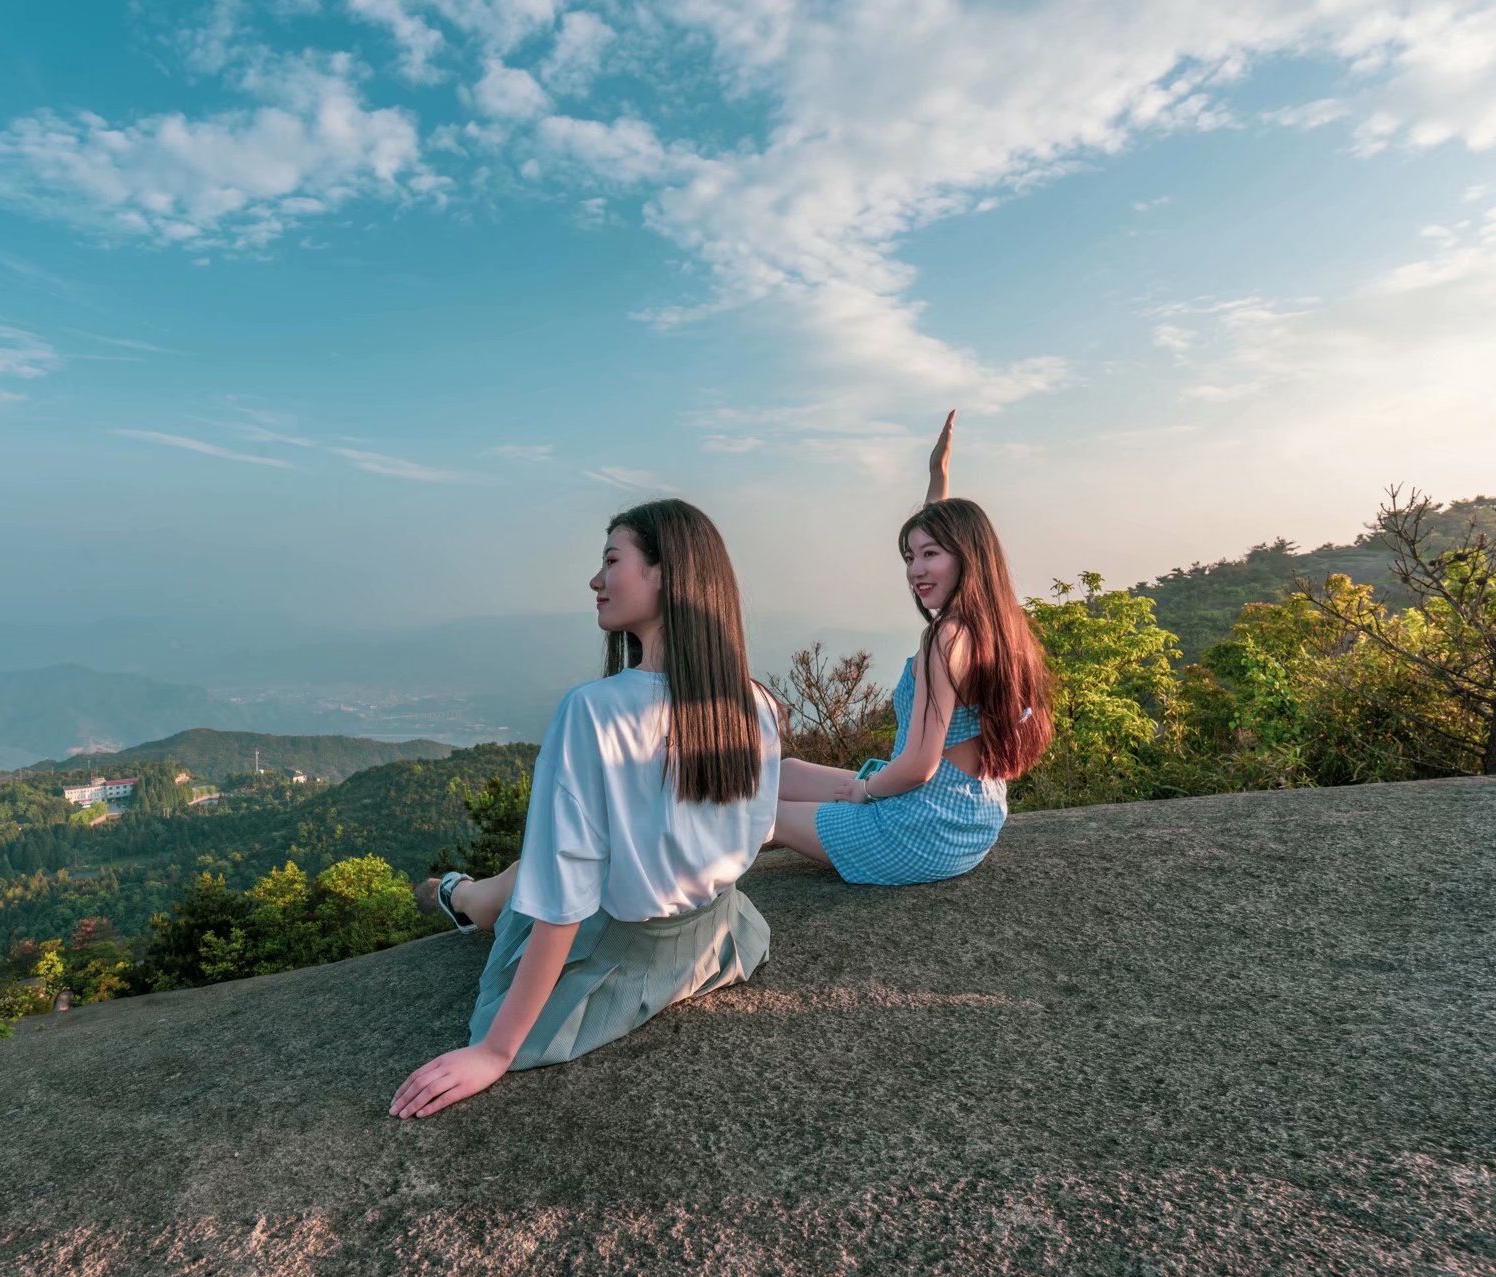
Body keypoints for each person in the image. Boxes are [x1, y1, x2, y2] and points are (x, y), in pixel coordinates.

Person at [391, 499, 781, 1119]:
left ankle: (468, 898)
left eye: (611, 560)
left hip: (624, 961)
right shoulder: (753, 701)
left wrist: (495, 1050)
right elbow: (751, 832)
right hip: (720, 933)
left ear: (666, 574)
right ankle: (476, 897)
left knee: (547, 875)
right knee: (579, 845)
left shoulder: (594, 711)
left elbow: (562, 902)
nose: (596, 580)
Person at [769, 411, 1054, 885]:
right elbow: (944, 538)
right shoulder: (999, 624)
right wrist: (937, 475)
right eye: (910, 557)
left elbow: (919, 766)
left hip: (920, 829)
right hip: (970, 818)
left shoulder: (947, 639)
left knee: (761, 811)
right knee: (788, 772)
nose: (915, 570)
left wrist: (861, 790)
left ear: (967, 556)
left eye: (929, 555)